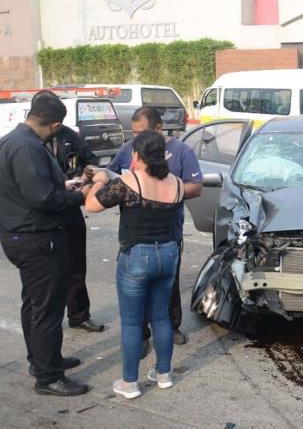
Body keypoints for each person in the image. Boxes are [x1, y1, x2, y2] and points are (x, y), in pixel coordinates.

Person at [0, 94, 90, 396]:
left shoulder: (12, 141)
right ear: (54, 125)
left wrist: (63, 185)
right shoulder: (26, 147)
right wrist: (80, 196)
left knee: (35, 303)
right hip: (36, 238)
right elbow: (43, 199)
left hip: (21, 234)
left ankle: (43, 359)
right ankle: (48, 376)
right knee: (47, 309)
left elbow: (27, 187)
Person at [86, 131, 185, 399]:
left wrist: (99, 179)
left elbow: (92, 205)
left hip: (137, 256)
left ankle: (130, 382)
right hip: (168, 254)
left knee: (132, 322)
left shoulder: (130, 181)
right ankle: (163, 374)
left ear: (138, 155)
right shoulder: (177, 183)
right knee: (161, 317)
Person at [107, 106, 202, 350]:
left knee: (168, 286)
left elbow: (196, 186)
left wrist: (168, 191)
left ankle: (171, 326)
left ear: (159, 129)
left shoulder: (181, 151)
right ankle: (141, 337)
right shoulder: (129, 149)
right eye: (134, 132)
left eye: (142, 132)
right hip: (135, 235)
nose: (137, 138)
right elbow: (113, 175)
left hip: (169, 233)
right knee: (136, 294)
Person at [32, 91, 104, 333]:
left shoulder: (68, 136)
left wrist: (85, 177)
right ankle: (46, 325)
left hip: (71, 206)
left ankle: (79, 315)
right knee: (49, 274)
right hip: (44, 214)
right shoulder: (29, 142)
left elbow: (91, 161)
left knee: (76, 265)